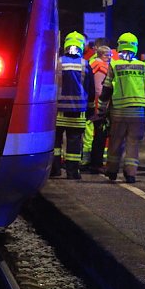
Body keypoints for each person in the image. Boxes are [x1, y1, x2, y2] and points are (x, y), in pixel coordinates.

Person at [96, 32, 145, 183]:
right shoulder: (143, 66)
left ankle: (112, 171)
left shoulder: (115, 65)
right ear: (135, 46)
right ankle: (131, 174)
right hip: (138, 111)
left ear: (120, 46)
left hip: (119, 111)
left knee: (116, 141)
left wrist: (101, 109)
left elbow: (107, 89)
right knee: (133, 143)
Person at [53, 31, 95, 180]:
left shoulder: (57, 62)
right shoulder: (85, 64)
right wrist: (91, 109)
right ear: (81, 46)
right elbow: (91, 89)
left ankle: (54, 170)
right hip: (78, 111)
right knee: (74, 143)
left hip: (57, 110)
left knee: (55, 142)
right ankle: (72, 172)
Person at [84, 45, 112, 172]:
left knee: (95, 134)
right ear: (102, 55)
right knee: (99, 135)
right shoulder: (100, 67)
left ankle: (93, 162)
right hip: (98, 105)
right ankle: (96, 163)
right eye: (108, 55)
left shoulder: (94, 64)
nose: (110, 57)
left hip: (94, 104)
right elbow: (98, 89)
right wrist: (103, 105)